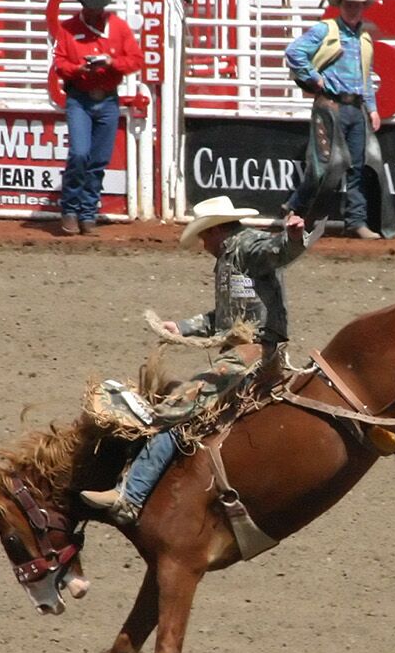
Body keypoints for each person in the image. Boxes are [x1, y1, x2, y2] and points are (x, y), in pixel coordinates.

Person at [80, 195, 308, 530]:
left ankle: (131, 496)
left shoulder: (246, 247)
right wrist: (183, 327)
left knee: (180, 405)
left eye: (204, 236)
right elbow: (228, 316)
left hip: (253, 354)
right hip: (250, 350)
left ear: (216, 230)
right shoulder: (233, 259)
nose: (202, 244)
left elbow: (277, 252)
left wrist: (292, 238)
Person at [283, 0, 394, 240]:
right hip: (330, 105)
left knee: (357, 166)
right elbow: (294, 52)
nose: (353, 9)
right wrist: (314, 78)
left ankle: (355, 220)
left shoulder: (363, 38)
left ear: (362, 7)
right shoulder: (326, 30)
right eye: (349, 4)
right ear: (341, 5)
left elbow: (365, 78)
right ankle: (295, 209)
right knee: (323, 166)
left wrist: (372, 108)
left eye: (357, 5)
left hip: (354, 107)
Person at [50, 0, 141, 235]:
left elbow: (135, 60)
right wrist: (80, 70)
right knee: (80, 153)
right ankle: (70, 209)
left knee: (98, 159)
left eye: (98, 5)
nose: (96, 9)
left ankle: (87, 212)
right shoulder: (68, 29)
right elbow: (60, 65)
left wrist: (112, 63)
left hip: (108, 97)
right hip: (80, 97)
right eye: (92, 5)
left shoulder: (119, 27)